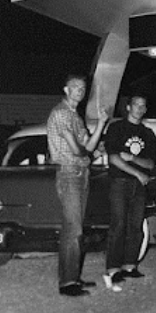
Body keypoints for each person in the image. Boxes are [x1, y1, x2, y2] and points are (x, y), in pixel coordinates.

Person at [46, 73, 109, 297]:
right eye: (75, 87)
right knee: (74, 229)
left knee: (75, 229)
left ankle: (72, 277)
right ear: (66, 90)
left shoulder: (76, 117)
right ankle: (67, 283)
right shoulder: (61, 113)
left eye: (82, 88)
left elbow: (90, 147)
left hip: (81, 173)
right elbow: (79, 150)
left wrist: (101, 123)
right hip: (69, 173)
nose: (80, 92)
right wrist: (87, 150)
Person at [101, 95, 156, 291]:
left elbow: (150, 163)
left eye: (143, 106)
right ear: (128, 107)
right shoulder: (116, 128)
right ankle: (113, 268)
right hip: (120, 182)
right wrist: (137, 172)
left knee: (135, 227)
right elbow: (114, 158)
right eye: (136, 105)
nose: (139, 109)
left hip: (139, 186)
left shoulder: (148, 133)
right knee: (118, 225)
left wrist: (132, 157)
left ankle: (130, 265)